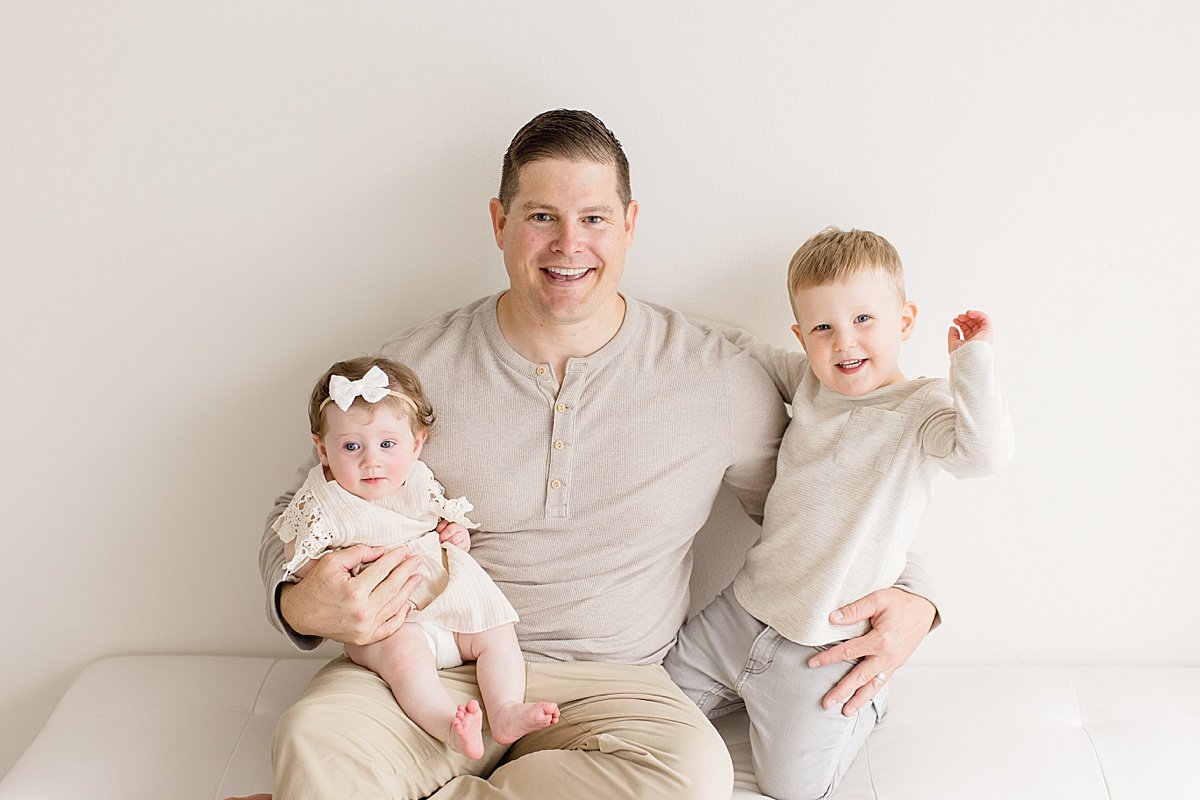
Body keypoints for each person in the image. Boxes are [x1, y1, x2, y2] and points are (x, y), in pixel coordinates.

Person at [253, 110, 940, 800]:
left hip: (616, 684)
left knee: (692, 778)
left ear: (630, 224)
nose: (568, 245)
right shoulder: (408, 372)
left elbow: (820, 505)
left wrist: (915, 595)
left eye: (594, 219)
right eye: (542, 216)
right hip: (428, 662)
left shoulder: (715, 375)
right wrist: (302, 604)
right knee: (316, 738)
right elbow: (301, 510)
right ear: (500, 222)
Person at [665, 227, 1015, 799]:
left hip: (825, 645)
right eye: (823, 328)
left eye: (864, 321)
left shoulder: (922, 409)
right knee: (651, 706)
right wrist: (646, 314)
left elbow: (984, 456)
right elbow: (739, 347)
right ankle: (735, 689)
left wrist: (971, 364)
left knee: (792, 789)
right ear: (802, 337)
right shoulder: (809, 381)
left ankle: (865, 709)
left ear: (904, 321)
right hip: (742, 609)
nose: (844, 343)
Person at [276, 356, 559, 760]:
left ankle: (506, 709)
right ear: (322, 450)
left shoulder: (418, 479)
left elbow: (441, 522)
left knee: (497, 632)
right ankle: (447, 723)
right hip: (391, 619)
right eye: (351, 446)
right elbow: (297, 554)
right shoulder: (325, 501)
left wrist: (454, 534)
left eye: (387, 444)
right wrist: (316, 573)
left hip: (448, 600)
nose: (371, 460)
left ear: (417, 443)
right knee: (407, 662)